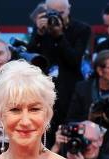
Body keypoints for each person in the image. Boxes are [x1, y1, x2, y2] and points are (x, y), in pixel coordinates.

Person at [27, 0, 90, 141]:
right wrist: (38, 34)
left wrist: (60, 36)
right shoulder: (42, 27)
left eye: (61, 12)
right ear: (46, 10)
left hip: (70, 93)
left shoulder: (81, 29)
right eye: (53, 12)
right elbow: (29, 58)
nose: (57, 16)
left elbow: (74, 60)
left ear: (69, 9)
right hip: (44, 93)